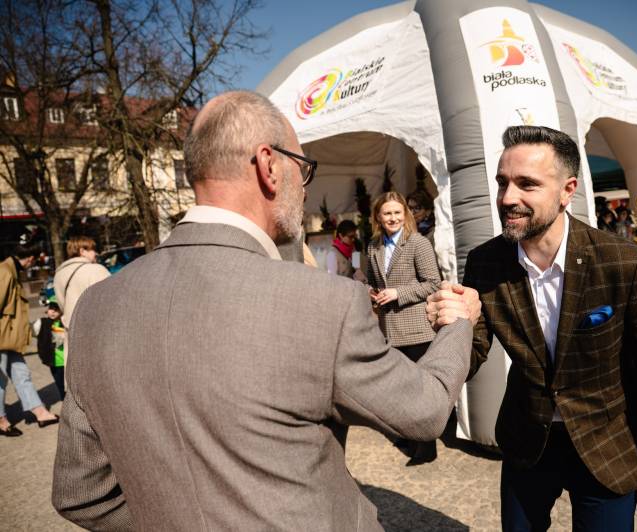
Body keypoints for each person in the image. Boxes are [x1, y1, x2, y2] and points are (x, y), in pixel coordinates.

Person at [51, 90, 480, 531]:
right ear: (269, 166)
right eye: (303, 167)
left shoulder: (94, 309)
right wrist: (459, 321)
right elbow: (424, 411)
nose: (305, 186)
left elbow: (81, 494)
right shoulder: (322, 301)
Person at [427, 126, 637, 531]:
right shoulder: (486, 262)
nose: (507, 198)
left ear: (568, 190)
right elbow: (473, 352)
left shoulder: (623, 262)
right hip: (527, 441)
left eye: (527, 184)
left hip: (607, 444)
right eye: (502, 182)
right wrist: (452, 327)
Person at [366, 191, 443, 465]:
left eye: (397, 213)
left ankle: (426, 447)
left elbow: (433, 283)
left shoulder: (418, 243)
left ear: (405, 215)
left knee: (419, 391)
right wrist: (371, 292)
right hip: (388, 330)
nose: (393, 218)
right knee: (399, 390)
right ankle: (409, 437)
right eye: (387, 213)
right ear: (378, 217)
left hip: (416, 330)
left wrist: (398, 293)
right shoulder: (373, 246)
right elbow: (372, 280)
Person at [0, 242, 60, 437]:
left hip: (9, 337)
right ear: (31, 258)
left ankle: (39, 412)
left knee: (21, 373)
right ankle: (0, 419)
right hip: (2, 336)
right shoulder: (5, 272)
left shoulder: (10, 270)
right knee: (0, 378)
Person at [53, 236, 111, 364]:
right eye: (92, 249)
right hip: (97, 335)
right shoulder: (96, 270)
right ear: (82, 251)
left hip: (72, 334)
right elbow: (111, 302)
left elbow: (62, 305)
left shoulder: (59, 274)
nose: (95, 253)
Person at [33, 300, 66, 400]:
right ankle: (64, 400)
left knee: (70, 384)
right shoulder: (43, 323)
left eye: (56, 309)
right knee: (59, 384)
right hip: (53, 361)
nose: (53, 312)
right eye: (51, 308)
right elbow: (34, 332)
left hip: (66, 361)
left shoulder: (64, 322)